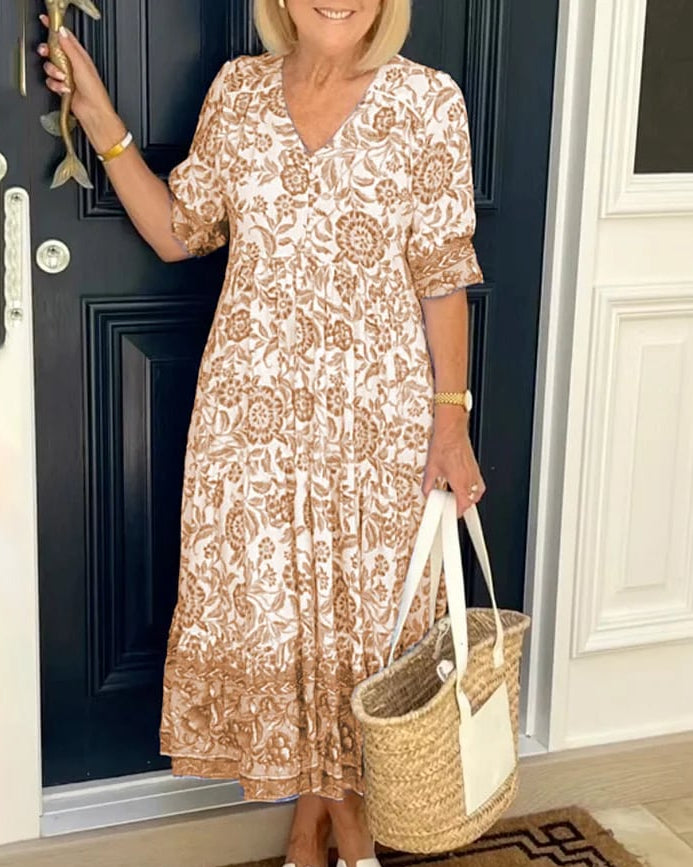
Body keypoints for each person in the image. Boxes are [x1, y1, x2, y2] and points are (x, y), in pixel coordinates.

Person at [38, 1, 486, 864]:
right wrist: (98, 118)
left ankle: (332, 822)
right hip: (251, 424)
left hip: (375, 424)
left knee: (361, 630)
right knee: (281, 626)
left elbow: (442, 274)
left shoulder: (427, 100)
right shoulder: (238, 92)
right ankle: (326, 822)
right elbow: (179, 232)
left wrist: (451, 419)